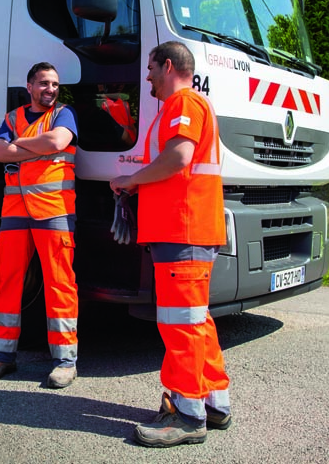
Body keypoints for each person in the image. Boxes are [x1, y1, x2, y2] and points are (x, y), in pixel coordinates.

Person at [109, 41, 232, 448]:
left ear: (167, 66)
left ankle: (186, 414)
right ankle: (213, 402)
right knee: (196, 322)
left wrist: (130, 180)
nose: (146, 77)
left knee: (180, 324)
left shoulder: (182, 104)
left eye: (149, 69)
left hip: (183, 231)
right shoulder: (186, 106)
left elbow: (177, 159)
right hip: (189, 230)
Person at [0, 62, 80, 389]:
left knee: (59, 283)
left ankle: (65, 362)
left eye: (55, 84)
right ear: (30, 86)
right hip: (16, 210)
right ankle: (2, 357)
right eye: (44, 83)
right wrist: (32, 145)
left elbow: (56, 143)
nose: (51, 89)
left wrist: (18, 146)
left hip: (55, 210)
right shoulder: (12, 117)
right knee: (7, 281)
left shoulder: (64, 114)